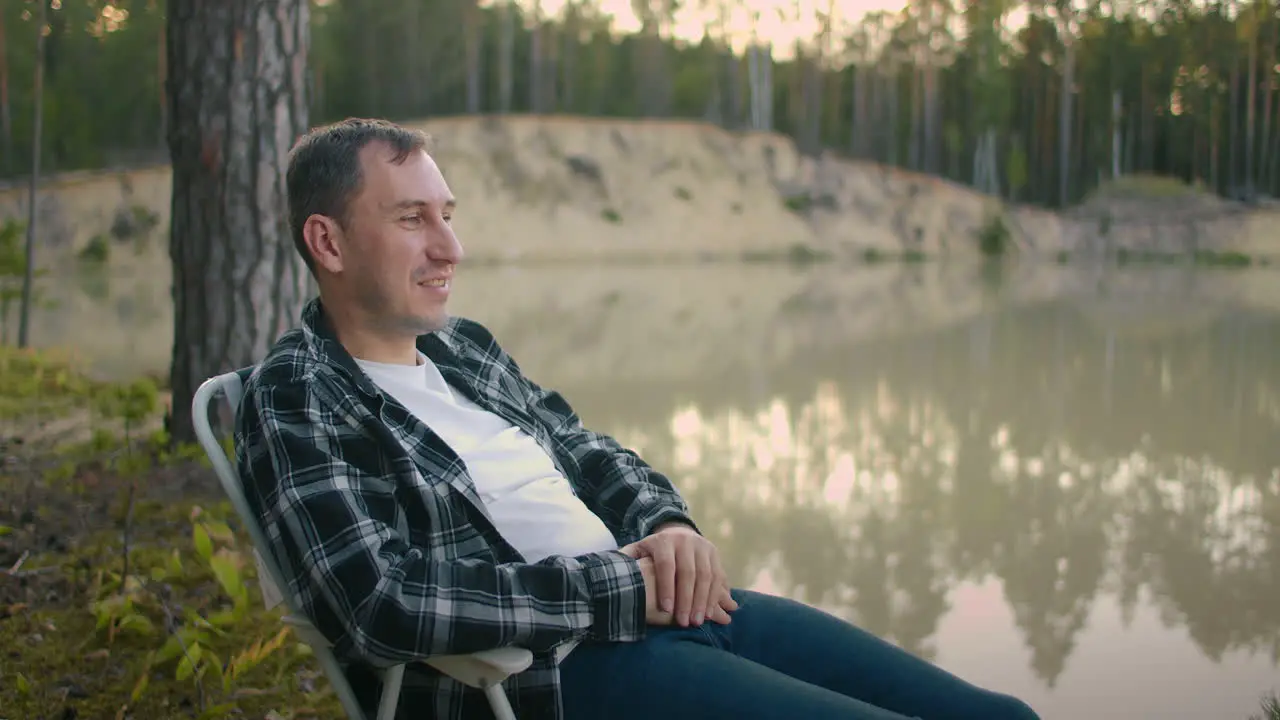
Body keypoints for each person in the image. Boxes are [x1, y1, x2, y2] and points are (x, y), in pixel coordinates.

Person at [236, 117, 1041, 720]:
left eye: (448, 214)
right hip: (544, 676)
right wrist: (618, 588)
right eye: (413, 219)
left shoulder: (460, 349)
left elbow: (586, 451)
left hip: (661, 611)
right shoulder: (297, 396)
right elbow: (382, 603)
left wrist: (669, 524)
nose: (450, 247)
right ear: (328, 243)